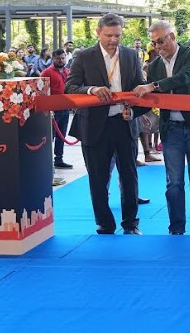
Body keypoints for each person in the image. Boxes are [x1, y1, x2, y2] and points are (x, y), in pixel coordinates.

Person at [66, 13, 149, 235]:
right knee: (98, 177)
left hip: (124, 124)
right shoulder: (83, 56)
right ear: (98, 33)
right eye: (108, 35)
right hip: (94, 126)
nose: (113, 40)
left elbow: (139, 88)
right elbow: (71, 87)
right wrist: (91, 90)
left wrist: (133, 110)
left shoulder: (132, 55)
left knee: (129, 176)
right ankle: (105, 223)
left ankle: (131, 224)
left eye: (118, 35)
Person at [134, 20, 190, 235]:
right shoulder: (155, 66)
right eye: (154, 43)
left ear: (173, 37)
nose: (158, 46)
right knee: (174, 183)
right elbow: (152, 98)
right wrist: (132, 112)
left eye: (161, 41)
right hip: (171, 130)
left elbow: (184, 78)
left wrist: (154, 85)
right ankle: (176, 227)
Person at [41, 49, 75, 169]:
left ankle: (59, 159)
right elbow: (42, 91)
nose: (61, 60)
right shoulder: (46, 73)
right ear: (53, 58)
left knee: (62, 136)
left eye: (63, 58)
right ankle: (45, 160)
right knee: (50, 137)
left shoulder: (68, 71)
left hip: (65, 108)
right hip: (52, 110)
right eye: (58, 58)